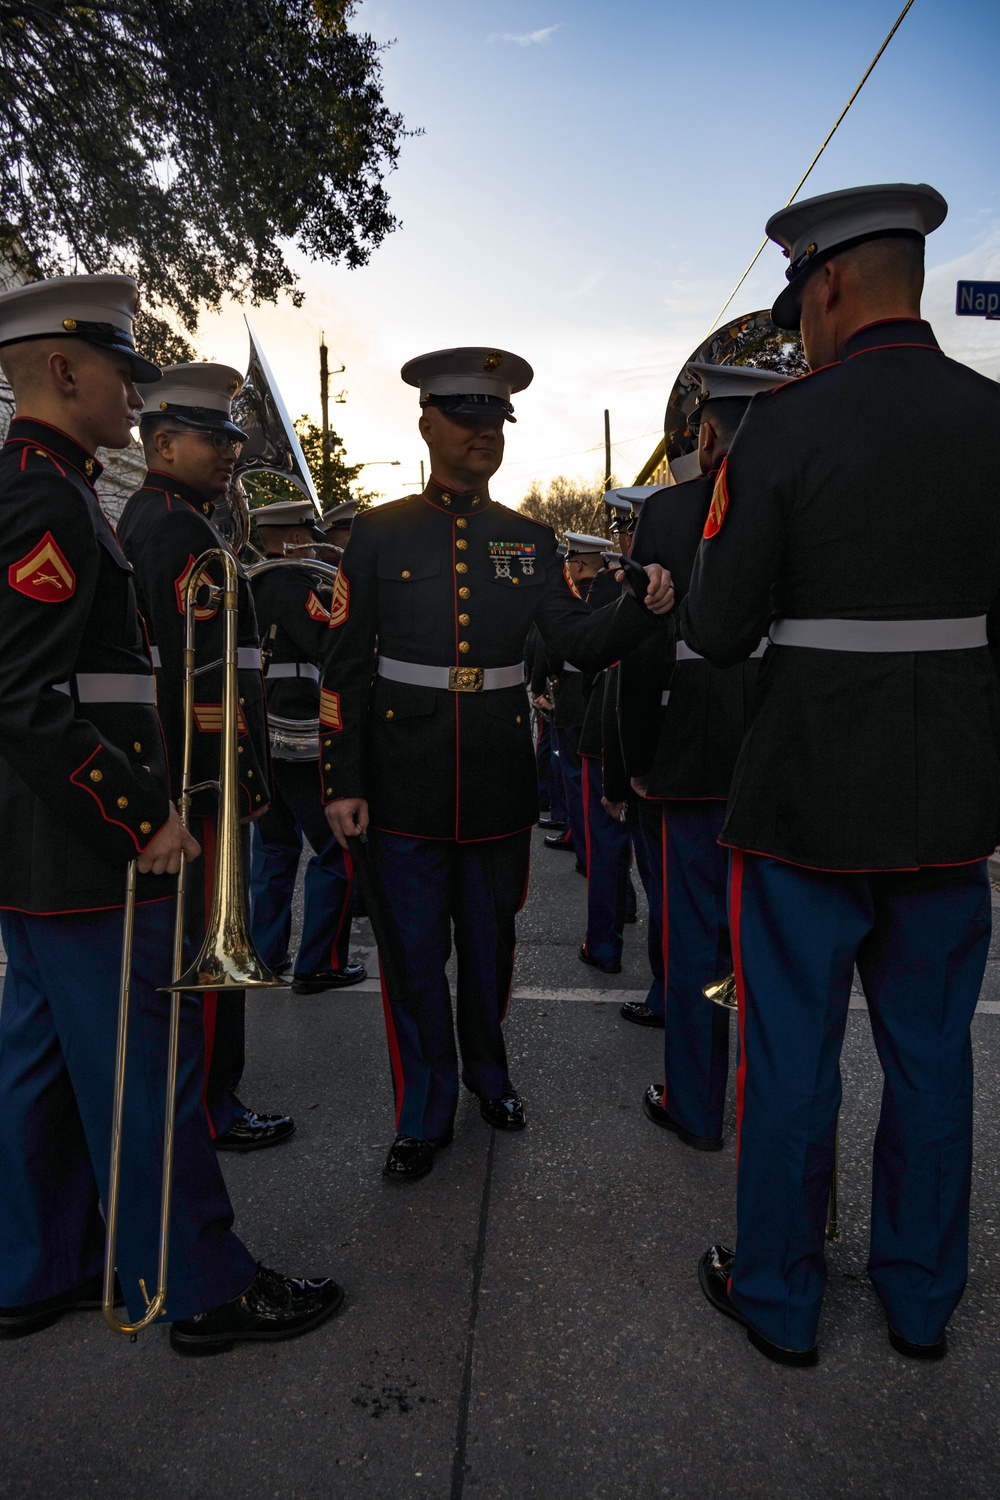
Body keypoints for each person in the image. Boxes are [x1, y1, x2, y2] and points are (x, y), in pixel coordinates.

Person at [683, 181, 1000, 1365]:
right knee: (930, 1056)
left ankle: (779, 1296)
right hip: (948, 803)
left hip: (808, 801)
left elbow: (716, 629)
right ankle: (919, 1299)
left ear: (824, 285)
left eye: (798, 304)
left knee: (792, 1058)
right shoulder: (992, 417)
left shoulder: (784, 428)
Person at [0, 275, 342, 1353]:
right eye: (122, 371)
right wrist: (139, 814)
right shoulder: (47, 497)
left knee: (40, 1059)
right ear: (63, 370)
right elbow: (26, 696)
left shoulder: (45, 486)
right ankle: (197, 1283)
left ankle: (36, 1263)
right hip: (88, 845)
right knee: (146, 1071)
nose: (133, 397)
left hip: (40, 846)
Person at [320, 346, 673, 1180]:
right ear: (427, 423)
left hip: (494, 778)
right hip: (400, 776)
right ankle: (422, 1109)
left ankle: (490, 1075)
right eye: (467, 418)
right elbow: (343, 669)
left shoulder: (529, 539)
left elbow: (578, 642)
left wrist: (641, 607)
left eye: (495, 420)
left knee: (489, 946)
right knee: (411, 958)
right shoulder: (379, 532)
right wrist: (343, 781)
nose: (484, 433)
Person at [117, 364, 295, 1153]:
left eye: (231, 436)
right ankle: (213, 1106)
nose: (231, 450)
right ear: (161, 443)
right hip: (202, 776)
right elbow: (191, 675)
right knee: (207, 950)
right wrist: (233, 773)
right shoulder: (177, 529)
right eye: (214, 438)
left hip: (199, 768)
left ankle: (206, 1098)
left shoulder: (168, 519)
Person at [619, 363, 789, 1146]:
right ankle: (770, 1105)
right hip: (779, 746)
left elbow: (644, 650)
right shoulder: (805, 495)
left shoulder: (671, 511)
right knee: (777, 945)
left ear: (707, 431)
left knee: (695, 935)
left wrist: (635, 755)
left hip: (690, 748)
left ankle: (694, 1105)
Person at [248, 499, 366, 993]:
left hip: (259, 723)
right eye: (307, 532)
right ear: (293, 536)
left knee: (274, 851)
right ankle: (319, 961)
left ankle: (265, 952)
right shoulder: (295, 583)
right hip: (295, 726)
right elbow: (328, 640)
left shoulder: (249, 582)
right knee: (335, 850)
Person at [531, 533, 613, 873]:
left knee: (578, 785)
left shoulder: (575, 594)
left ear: (578, 562)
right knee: (603, 789)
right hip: (605, 695)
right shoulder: (616, 590)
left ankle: (584, 851)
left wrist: (542, 682)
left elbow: (552, 645)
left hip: (573, 696)